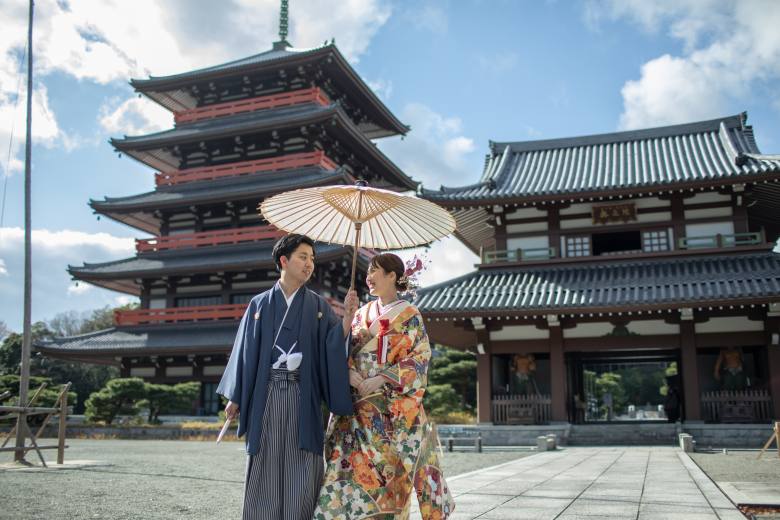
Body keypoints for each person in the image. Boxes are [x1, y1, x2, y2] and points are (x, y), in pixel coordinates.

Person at [217, 234, 358, 520]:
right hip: (265, 394)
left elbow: (333, 344)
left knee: (302, 462)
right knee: (265, 460)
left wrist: (346, 319)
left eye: (313, 259)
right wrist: (236, 395)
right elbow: (245, 353)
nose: (309, 265)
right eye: (303, 257)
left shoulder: (318, 307)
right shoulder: (259, 305)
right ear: (284, 260)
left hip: (300, 393)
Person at [314, 253, 455, 520]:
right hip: (355, 413)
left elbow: (420, 357)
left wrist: (381, 378)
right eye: (368, 270)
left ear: (392, 276)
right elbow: (344, 350)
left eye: (375, 270)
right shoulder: (361, 314)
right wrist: (349, 372)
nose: (368, 276)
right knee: (344, 475)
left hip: (389, 415)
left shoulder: (410, 315)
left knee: (386, 478)